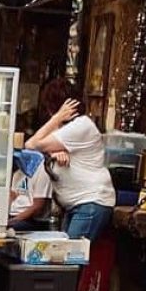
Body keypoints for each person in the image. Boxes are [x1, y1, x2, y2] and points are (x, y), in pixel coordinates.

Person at [26, 85, 115, 240]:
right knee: (65, 250)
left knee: (69, 252)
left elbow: (33, 144)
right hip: (76, 204)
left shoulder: (81, 125)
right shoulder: (63, 130)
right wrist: (53, 151)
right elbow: (32, 147)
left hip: (90, 201)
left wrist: (56, 118)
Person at [8, 148, 53, 232]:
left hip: (31, 219)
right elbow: (12, 196)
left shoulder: (42, 171)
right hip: (14, 214)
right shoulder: (18, 171)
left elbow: (37, 207)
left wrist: (12, 221)